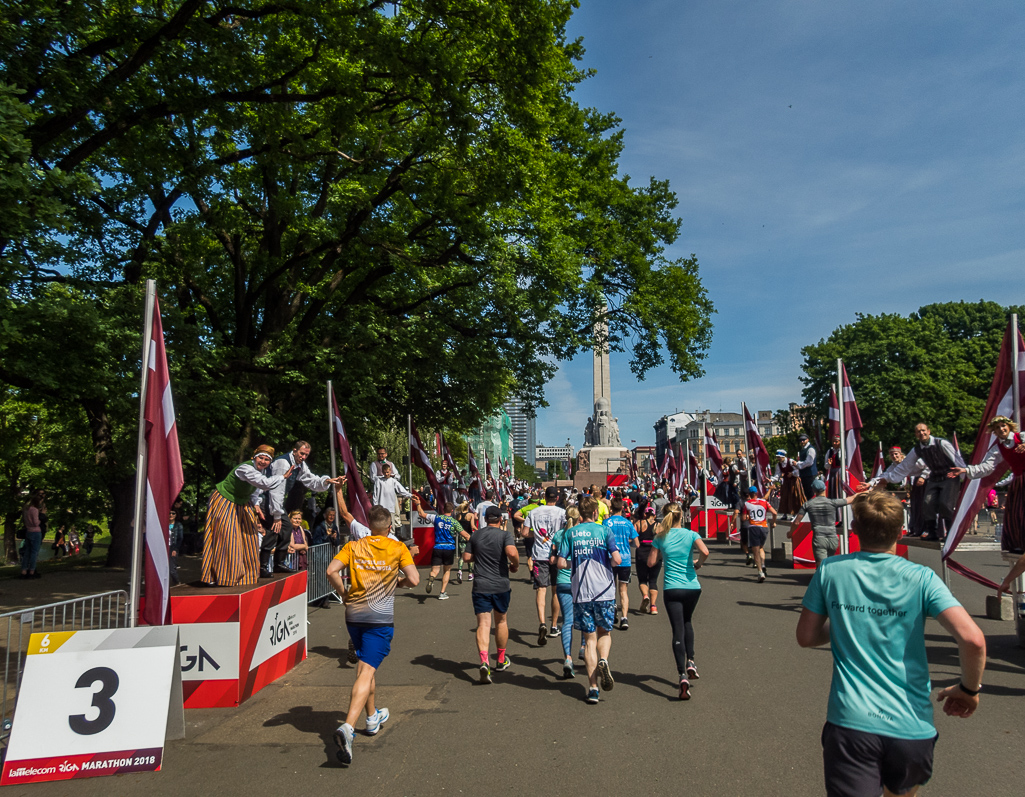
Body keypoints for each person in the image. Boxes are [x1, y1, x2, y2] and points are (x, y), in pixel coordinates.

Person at [796, 490, 986, 797]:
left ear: (854, 528)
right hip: (911, 725)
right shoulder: (922, 577)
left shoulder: (830, 570)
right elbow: (973, 639)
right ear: (901, 530)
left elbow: (806, 637)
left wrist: (849, 623)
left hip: (851, 722)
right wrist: (968, 690)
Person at [327, 505, 419, 767]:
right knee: (366, 670)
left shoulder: (354, 546)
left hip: (354, 615)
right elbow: (413, 580)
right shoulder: (397, 548)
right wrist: (396, 583)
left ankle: (372, 717)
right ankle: (348, 727)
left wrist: (344, 593)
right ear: (390, 527)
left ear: (369, 525)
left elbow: (331, 571)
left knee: (366, 667)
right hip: (379, 617)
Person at [556, 495, 621, 704]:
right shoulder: (604, 531)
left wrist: (573, 565)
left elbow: (559, 563)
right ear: (595, 512)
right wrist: (606, 563)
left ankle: (593, 687)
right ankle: (604, 660)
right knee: (605, 632)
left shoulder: (571, 533)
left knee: (589, 639)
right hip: (605, 591)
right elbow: (617, 559)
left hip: (581, 592)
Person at [201, 445, 291, 587]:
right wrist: (283, 477)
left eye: (267, 459)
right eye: (261, 457)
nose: (263, 461)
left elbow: (255, 491)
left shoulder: (260, 472)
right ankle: (220, 576)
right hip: (225, 500)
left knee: (250, 537)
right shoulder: (245, 468)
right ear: (254, 457)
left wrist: (255, 504)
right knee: (227, 537)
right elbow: (264, 483)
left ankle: (246, 576)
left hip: (242, 503)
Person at [648, 502, 709, 700]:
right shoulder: (691, 534)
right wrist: (697, 564)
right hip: (692, 587)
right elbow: (706, 552)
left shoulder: (660, 537)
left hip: (672, 588)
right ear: (681, 516)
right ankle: (691, 660)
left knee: (677, 629)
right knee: (688, 622)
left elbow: (651, 562)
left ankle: (682, 674)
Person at [870, 423, 965, 541]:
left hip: (949, 476)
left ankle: (951, 533)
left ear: (929, 431)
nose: (921, 433)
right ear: (916, 434)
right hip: (934, 477)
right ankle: (932, 532)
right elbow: (904, 467)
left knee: (945, 504)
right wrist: (883, 480)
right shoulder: (917, 450)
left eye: (923, 430)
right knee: (927, 503)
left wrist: (966, 476)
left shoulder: (941, 444)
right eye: (918, 431)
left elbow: (957, 460)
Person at [261, 441, 342, 577]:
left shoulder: (300, 466)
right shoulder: (283, 463)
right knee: (274, 529)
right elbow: (277, 490)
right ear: (294, 451)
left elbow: (311, 480)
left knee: (286, 529)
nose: (303, 457)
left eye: (306, 455)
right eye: (301, 453)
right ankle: (263, 567)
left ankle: (278, 564)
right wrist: (276, 516)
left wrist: (326, 481)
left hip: (276, 502)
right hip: (267, 500)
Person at [949, 415, 1025, 554]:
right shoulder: (997, 449)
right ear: (994, 432)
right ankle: (1020, 544)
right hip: (1019, 480)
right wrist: (966, 470)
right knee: (1017, 513)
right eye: (997, 428)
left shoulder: (1022, 437)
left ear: (1009, 426)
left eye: (1003, 426)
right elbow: (986, 467)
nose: (1001, 429)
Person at [464, 505, 519, 684]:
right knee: (501, 620)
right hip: (500, 583)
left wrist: (476, 557)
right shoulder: (504, 535)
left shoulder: (476, 535)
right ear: (501, 519)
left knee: (483, 624)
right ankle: (501, 659)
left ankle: (484, 661)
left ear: (485, 519)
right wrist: (515, 565)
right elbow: (511, 552)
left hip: (481, 584)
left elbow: (466, 557)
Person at [523, 486, 567, 645]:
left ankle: (542, 622)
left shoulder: (534, 512)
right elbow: (565, 532)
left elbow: (524, 532)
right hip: (556, 554)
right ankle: (554, 625)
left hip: (539, 555)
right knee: (556, 589)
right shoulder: (562, 513)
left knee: (541, 589)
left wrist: (538, 536)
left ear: (544, 497)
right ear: (557, 497)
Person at [550, 506, 582, 678]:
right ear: (579, 518)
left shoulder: (558, 535)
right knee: (585, 616)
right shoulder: (581, 534)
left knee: (568, 620)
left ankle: (568, 658)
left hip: (563, 580)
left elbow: (552, 559)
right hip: (581, 580)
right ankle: (584, 646)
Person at [605, 496, 639, 629]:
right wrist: (626, 541)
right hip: (625, 559)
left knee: (610, 587)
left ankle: (612, 610)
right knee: (623, 590)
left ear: (611, 508)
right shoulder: (628, 523)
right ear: (623, 508)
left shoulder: (606, 523)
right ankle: (624, 618)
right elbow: (636, 542)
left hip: (610, 558)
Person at [416, 501, 459, 600]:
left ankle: (432, 577)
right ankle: (442, 592)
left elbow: (421, 514)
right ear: (452, 511)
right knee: (447, 570)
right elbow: (464, 533)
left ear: (443, 509)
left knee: (435, 570)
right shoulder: (454, 521)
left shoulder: (436, 518)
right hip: (449, 547)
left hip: (438, 547)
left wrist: (418, 504)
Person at [735, 486, 777, 582]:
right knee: (761, 547)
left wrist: (748, 516)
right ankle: (763, 564)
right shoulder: (764, 502)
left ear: (749, 494)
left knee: (755, 550)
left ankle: (760, 572)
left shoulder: (747, 504)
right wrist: (773, 522)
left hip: (754, 527)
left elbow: (743, 518)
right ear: (757, 493)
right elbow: (774, 513)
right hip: (764, 527)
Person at [372, 462, 413, 539]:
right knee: (382, 524)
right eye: (385, 472)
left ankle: (392, 539)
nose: (386, 474)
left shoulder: (393, 481)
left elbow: (401, 490)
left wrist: (410, 495)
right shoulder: (378, 481)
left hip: (390, 507)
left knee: (392, 526)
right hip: (381, 507)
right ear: (382, 472)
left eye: (388, 472)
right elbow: (375, 494)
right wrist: (375, 507)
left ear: (390, 471)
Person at [634, 502, 660, 615]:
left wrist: (638, 545)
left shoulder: (639, 523)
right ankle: (653, 606)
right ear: (654, 515)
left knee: (643, 579)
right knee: (653, 580)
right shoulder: (658, 525)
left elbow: (633, 536)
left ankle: (645, 596)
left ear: (645, 515)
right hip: (654, 552)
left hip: (642, 552)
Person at [20, 489, 46, 579]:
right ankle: (32, 570)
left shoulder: (26, 509)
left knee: (27, 551)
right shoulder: (34, 509)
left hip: (28, 531)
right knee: (34, 552)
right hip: (35, 531)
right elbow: (36, 522)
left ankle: (24, 570)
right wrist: (41, 515)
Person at [774, 449, 806, 518]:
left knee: (794, 496)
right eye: (777, 457)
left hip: (794, 481)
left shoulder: (790, 461)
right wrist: (771, 480)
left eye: (779, 457)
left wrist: (792, 473)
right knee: (784, 496)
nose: (778, 458)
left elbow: (797, 470)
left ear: (783, 457)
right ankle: (784, 513)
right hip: (786, 481)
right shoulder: (778, 465)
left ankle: (794, 513)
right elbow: (777, 474)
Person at [454, 500, 477, 584]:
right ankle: (470, 573)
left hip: (461, 536)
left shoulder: (458, 516)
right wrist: (478, 530)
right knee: (470, 555)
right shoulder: (470, 515)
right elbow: (472, 526)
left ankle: (460, 571)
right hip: (469, 536)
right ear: (468, 507)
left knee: (462, 555)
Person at [794, 433, 819, 502]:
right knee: (806, 494)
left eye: (803, 440)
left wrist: (797, 464)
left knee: (810, 493)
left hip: (810, 475)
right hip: (805, 475)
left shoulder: (810, 449)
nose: (802, 442)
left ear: (807, 440)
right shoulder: (802, 450)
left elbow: (809, 462)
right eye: (800, 440)